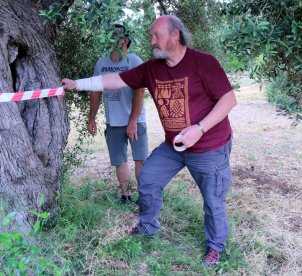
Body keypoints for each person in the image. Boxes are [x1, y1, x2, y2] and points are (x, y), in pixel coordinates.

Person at [62, 15, 237, 268]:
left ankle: (215, 247)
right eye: (151, 36)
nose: (151, 41)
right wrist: (78, 84)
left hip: (209, 146)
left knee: (213, 200)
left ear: (175, 35)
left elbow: (229, 101)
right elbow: (115, 80)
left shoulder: (203, 63)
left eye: (157, 36)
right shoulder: (151, 69)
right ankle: (147, 227)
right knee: (148, 180)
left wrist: (199, 129)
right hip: (174, 146)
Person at [88, 24, 148, 204]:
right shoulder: (102, 64)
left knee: (140, 159)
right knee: (119, 160)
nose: (114, 39)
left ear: (126, 41)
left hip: (136, 120)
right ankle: (126, 196)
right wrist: (91, 118)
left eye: (118, 36)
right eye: (112, 35)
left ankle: (145, 196)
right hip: (113, 122)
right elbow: (95, 91)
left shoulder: (134, 61)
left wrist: (133, 120)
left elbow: (140, 90)